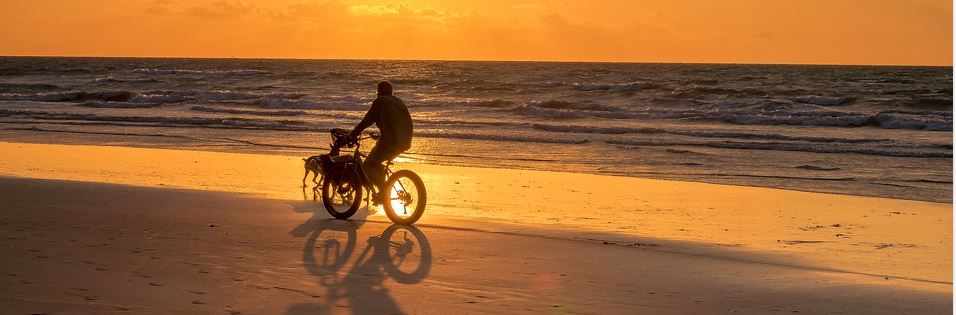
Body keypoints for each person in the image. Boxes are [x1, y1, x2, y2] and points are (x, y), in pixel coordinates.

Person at [349, 81, 413, 203]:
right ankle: (384, 191)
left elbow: (366, 121)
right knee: (377, 163)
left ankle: (383, 191)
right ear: (391, 92)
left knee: (368, 165)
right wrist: (380, 136)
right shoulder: (399, 102)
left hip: (390, 142)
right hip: (404, 142)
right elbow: (396, 124)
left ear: (379, 92)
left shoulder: (380, 102)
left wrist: (353, 134)